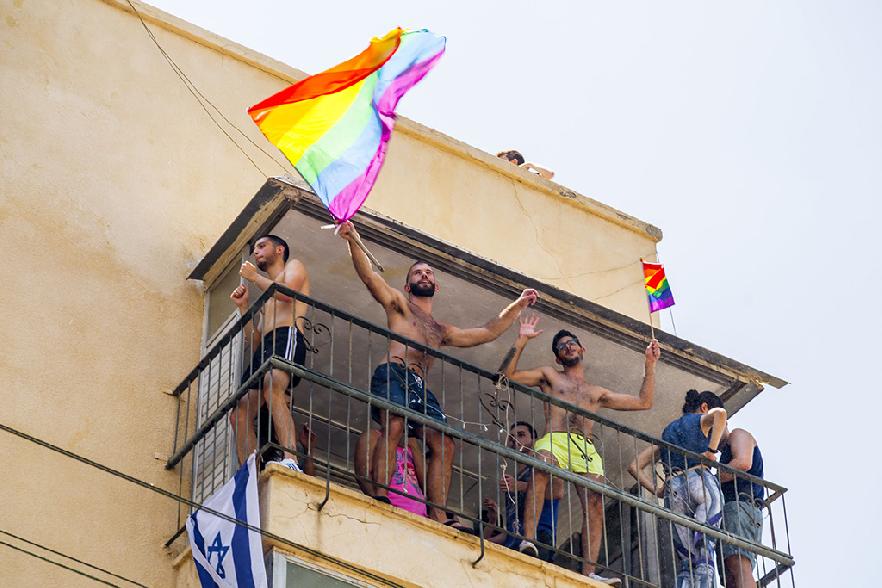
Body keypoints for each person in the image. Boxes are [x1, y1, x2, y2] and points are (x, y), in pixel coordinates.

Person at [337, 220, 538, 523]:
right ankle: (381, 494)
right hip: (394, 372)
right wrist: (353, 239)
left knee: (443, 443)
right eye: (418, 273)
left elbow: (486, 332)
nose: (424, 275)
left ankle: (440, 513)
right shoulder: (400, 305)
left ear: (436, 285)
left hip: (420, 386)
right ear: (408, 285)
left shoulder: (441, 330)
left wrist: (517, 305)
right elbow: (370, 277)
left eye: (429, 273)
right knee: (393, 426)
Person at [501, 315, 660, 585]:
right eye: (561, 346)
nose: (568, 346)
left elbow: (643, 402)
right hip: (555, 439)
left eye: (572, 342)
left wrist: (650, 364)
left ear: (581, 348)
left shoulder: (596, 392)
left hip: (584, 448)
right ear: (557, 358)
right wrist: (522, 340)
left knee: (595, 503)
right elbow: (507, 375)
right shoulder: (549, 376)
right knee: (540, 470)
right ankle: (528, 541)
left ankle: (589, 572)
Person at [629, 390, 727, 588]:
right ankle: (705, 575)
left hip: (674, 490)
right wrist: (711, 450)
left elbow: (634, 466)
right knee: (704, 553)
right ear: (704, 407)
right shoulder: (700, 421)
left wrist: (656, 491)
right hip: (699, 480)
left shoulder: (668, 433)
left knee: (687, 562)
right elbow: (720, 415)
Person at [229, 234, 311, 470]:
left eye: (262, 246)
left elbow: (288, 293)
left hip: (288, 335)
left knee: (272, 386)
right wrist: (244, 308)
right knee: (239, 413)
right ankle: (250, 473)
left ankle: (291, 459)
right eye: (254, 249)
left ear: (279, 250)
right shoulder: (266, 300)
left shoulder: (294, 266)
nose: (256, 252)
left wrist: (254, 277)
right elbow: (255, 341)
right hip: (266, 346)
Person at [496, 421, 563, 561]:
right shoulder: (514, 480)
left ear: (534, 441)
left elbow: (557, 492)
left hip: (539, 537)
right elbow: (511, 528)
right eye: (511, 437)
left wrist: (519, 486)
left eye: (521, 435)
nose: (515, 440)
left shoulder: (542, 465)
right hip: (514, 543)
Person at [719, 427, 765, 588]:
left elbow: (743, 462)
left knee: (738, 565)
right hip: (740, 511)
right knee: (731, 576)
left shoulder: (738, 434)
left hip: (740, 508)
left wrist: (709, 479)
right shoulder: (726, 449)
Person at [354, 427, 428, 518]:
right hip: (390, 509)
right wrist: (377, 503)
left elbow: (426, 483)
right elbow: (362, 473)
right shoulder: (374, 436)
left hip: (420, 517)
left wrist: (414, 445)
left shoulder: (409, 445)